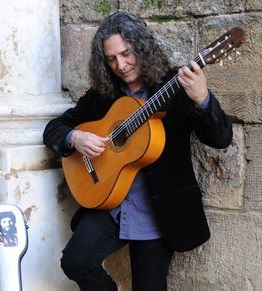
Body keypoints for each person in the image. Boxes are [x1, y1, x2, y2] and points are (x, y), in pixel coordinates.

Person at [43, 11, 232, 291]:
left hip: (157, 211)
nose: (120, 64)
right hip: (110, 205)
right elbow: (54, 129)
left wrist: (203, 99)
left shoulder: (175, 87)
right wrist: (75, 137)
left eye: (126, 53)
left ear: (141, 47)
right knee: (75, 262)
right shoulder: (103, 96)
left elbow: (221, 138)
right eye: (111, 58)